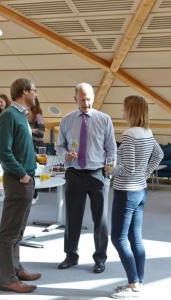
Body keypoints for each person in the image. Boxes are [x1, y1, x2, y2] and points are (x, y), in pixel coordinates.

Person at [56, 82, 117, 273]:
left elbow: (111, 148)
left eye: (89, 99)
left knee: (101, 220)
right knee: (72, 218)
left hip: (98, 174)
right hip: (74, 174)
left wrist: (109, 169)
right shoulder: (66, 121)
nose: (86, 103)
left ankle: (100, 259)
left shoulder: (104, 119)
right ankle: (70, 256)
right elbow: (59, 146)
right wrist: (65, 155)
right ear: (75, 99)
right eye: (82, 99)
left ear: (93, 98)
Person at [109, 95, 163, 298]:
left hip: (127, 192)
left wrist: (110, 169)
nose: (122, 112)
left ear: (131, 110)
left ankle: (133, 284)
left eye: (124, 108)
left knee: (118, 238)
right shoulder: (147, 132)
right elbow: (158, 155)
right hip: (141, 191)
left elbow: (128, 167)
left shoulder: (130, 134)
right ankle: (138, 281)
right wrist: (146, 174)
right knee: (135, 238)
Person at [0, 78, 41, 293]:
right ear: (24, 92)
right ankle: (7, 279)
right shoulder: (8, 115)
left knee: (19, 229)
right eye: (34, 90)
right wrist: (22, 174)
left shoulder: (22, 115)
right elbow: (3, 151)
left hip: (27, 178)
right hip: (18, 180)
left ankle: (16, 268)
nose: (36, 94)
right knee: (8, 232)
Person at [28, 96, 45, 204]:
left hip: (37, 146)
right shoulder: (29, 115)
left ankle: (35, 195)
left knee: (34, 171)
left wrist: (29, 129)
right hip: (30, 145)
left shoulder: (38, 115)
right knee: (31, 170)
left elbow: (41, 132)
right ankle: (33, 195)